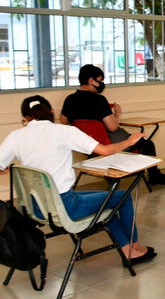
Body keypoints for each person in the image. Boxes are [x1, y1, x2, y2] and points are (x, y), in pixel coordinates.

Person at [0, 95, 156, 264]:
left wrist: (11, 169)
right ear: (51, 111)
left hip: (36, 209)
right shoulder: (64, 131)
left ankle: (128, 250)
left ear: (25, 117)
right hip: (66, 207)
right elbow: (104, 150)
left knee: (108, 200)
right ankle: (135, 248)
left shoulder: (15, 136)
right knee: (123, 197)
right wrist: (129, 141)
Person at [59, 64, 165, 185]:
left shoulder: (70, 99)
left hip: (87, 146)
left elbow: (63, 121)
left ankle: (113, 177)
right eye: (100, 81)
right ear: (91, 80)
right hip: (108, 144)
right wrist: (117, 115)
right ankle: (154, 176)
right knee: (147, 143)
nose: (102, 84)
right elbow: (112, 127)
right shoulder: (99, 100)